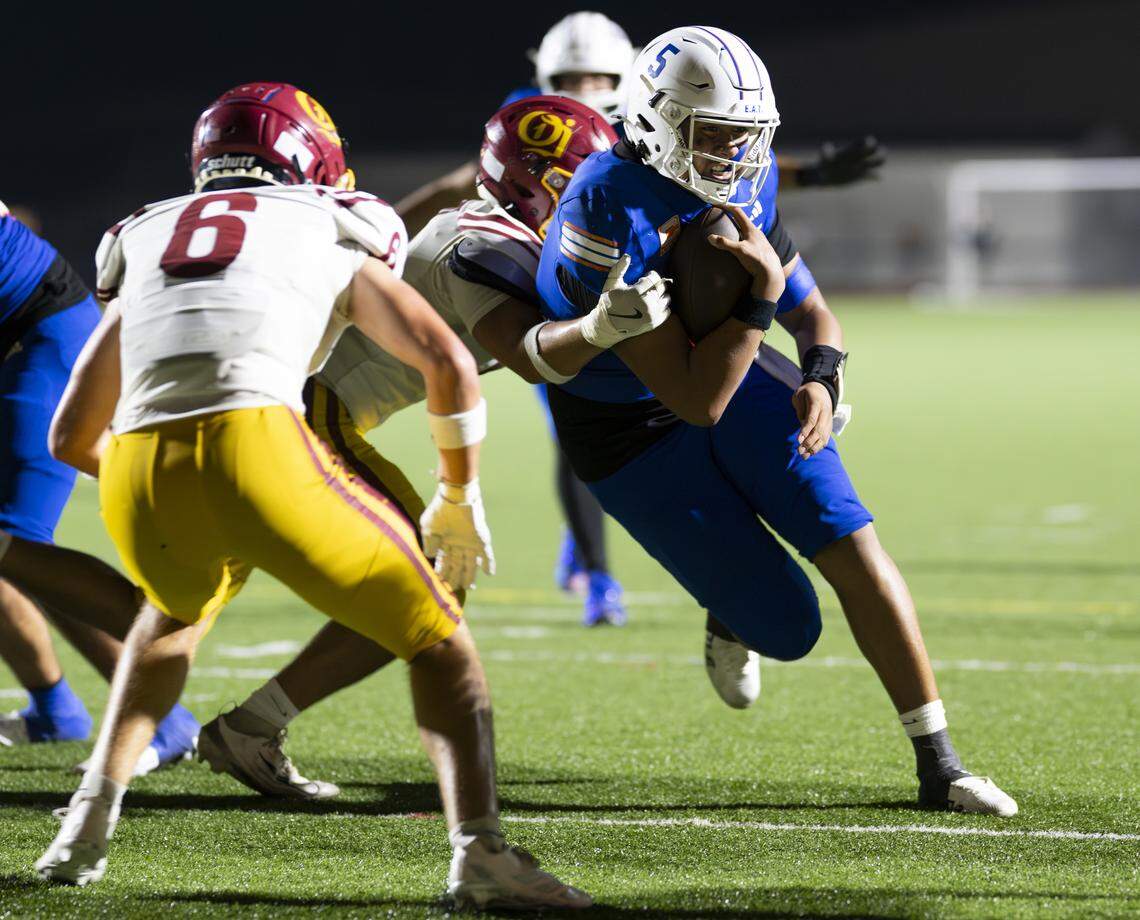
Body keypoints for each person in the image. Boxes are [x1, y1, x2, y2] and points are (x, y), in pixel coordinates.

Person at [31, 82, 591, 909]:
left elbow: (71, 438)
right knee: (441, 635)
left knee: (170, 619)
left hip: (140, 468)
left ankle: (84, 826)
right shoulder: (332, 220)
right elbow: (445, 358)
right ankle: (481, 854)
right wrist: (457, 493)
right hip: (262, 439)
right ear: (310, 160)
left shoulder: (143, 235)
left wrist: (177, 476)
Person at [533, 25, 1017, 816]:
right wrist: (758, 298)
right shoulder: (602, 212)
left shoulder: (740, 181)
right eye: (715, 133)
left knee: (850, 539)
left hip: (731, 365)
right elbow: (696, 401)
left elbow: (814, 312)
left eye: (745, 134)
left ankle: (940, 764)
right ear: (656, 121)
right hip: (628, 425)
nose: (734, 153)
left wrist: (821, 377)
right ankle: (731, 606)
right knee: (790, 627)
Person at [198, 95, 669, 799]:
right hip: (306, 413)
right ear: (532, 186)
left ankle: (143, 746)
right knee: (435, 580)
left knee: (189, 591)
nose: (592, 201)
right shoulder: (480, 243)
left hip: (283, 408)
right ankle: (247, 728)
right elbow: (532, 356)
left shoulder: (492, 229)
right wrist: (603, 329)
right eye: (578, 184)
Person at [397, 12, 887, 628]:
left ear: (627, 78)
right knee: (575, 413)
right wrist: (389, 225)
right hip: (571, 282)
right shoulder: (540, 120)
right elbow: (469, 181)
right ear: (546, 79)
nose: (585, 89)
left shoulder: (655, 123)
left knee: (716, 395)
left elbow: (720, 147)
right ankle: (596, 569)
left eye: (599, 77)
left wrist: (807, 177)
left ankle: (713, 571)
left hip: (650, 274)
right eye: (570, 79)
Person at [0, 201, 198, 772]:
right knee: (10, 545)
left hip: (40, 334)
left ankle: (165, 720)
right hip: (20, 334)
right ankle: (55, 712)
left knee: (15, 541)